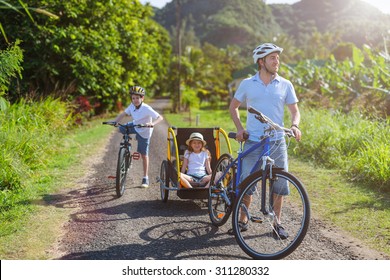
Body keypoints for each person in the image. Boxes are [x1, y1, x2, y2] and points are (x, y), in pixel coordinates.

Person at [229, 43, 302, 239]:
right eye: (272, 58)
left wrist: (294, 126)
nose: (276, 61)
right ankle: (243, 218)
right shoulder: (247, 83)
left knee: (279, 184)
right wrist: (239, 128)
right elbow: (233, 107)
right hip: (253, 140)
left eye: (277, 57)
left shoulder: (286, 84)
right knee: (246, 182)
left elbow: (295, 111)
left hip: (277, 141)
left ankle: (276, 223)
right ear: (261, 62)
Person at [112, 86, 163, 188]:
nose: (135, 100)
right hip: (135, 125)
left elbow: (160, 117)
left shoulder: (146, 108)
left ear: (142, 98)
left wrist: (152, 123)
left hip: (144, 131)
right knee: (121, 128)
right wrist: (115, 121)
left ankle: (145, 178)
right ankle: (127, 152)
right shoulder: (132, 106)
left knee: (144, 154)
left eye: (137, 98)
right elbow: (123, 114)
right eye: (133, 98)